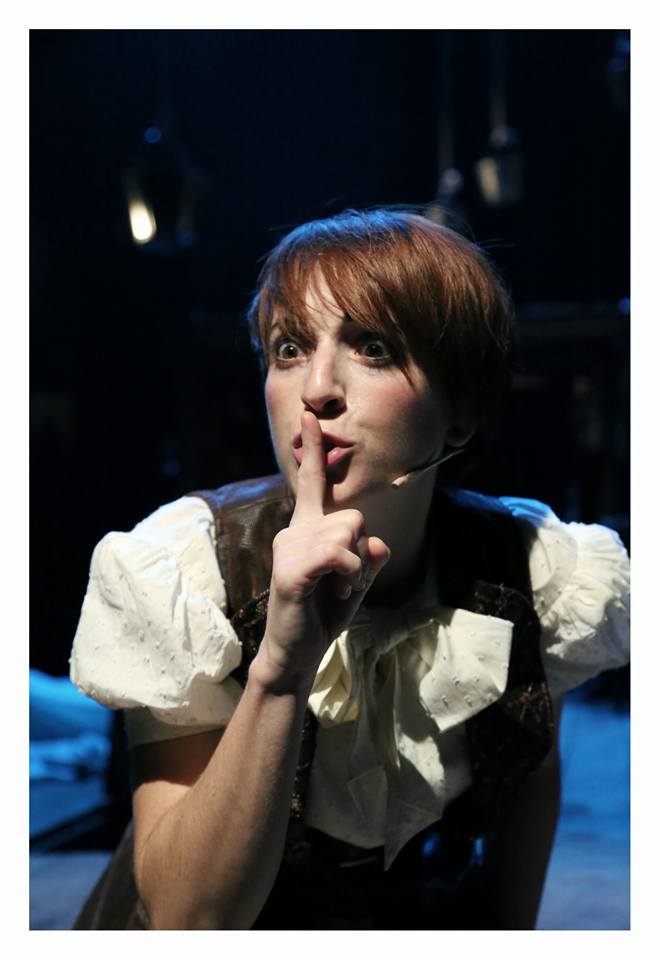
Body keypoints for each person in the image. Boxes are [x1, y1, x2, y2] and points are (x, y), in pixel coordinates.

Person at [69, 208, 630, 930]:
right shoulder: (188, 571)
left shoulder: (531, 569)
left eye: (373, 347)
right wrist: (280, 669)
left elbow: (529, 777)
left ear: (458, 412)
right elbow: (187, 919)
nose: (317, 388)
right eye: (289, 348)